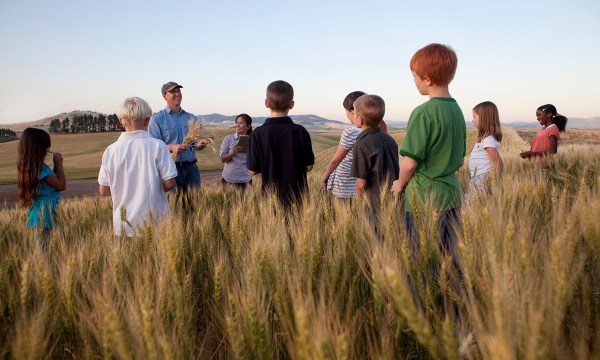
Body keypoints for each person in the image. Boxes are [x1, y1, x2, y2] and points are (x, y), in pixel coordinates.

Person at [391, 43, 466, 265]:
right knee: (450, 262)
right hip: (452, 194)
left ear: (427, 79)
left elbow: (410, 163)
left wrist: (400, 184)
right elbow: (460, 160)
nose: (413, 82)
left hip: (424, 199)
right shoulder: (457, 110)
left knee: (422, 264)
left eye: (414, 77)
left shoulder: (423, 113)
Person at [98, 97, 178, 237]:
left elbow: (104, 190)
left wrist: (125, 192)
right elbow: (170, 182)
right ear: (148, 120)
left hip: (122, 226)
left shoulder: (110, 151)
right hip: (155, 222)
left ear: (120, 120)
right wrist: (152, 190)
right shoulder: (158, 146)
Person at [247, 80, 315, 210]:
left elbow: (252, 170)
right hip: (298, 198)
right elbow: (309, 167)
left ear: (266, 103)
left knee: (273, 230)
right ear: (292, 104)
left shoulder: (257, 134)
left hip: (270, 198)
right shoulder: (301, 131)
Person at [148, 81, 209, 192]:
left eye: (179, 91)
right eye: (173, 92)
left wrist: (200, 145)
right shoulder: (157, 119)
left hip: (191, 170)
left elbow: (195, 144)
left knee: (195, 206)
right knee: (174, 207)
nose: (177, 94)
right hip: (169, 169)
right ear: (164, 96)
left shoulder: (191, 118)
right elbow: (153, 146)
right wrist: (171, 147)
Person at [351, 94, 399, 223]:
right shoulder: (390, 139)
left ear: (359, 120)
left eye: (354, 114)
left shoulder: (362, 144)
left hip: (373, 203)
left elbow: (360, 184)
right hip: (394, 198)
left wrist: (361, 202)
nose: (353, 117)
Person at [17, 128, 66, 251]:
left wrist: (55, 166)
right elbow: (61, 185)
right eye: (46, 147)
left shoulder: (29, 167)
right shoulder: (41, 169)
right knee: (44, 252)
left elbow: (52, 182)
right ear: (38, 148)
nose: (47, 151)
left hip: (39, 214)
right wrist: (59, 164)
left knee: (42, 249)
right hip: (45, 216)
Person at [320, 91, 365, 199]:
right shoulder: (377, 133)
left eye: (346, 111)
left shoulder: (351, 133)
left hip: (344, 187)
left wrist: (324, 178)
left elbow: (336, 160)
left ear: (353, 112)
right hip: (363, 188)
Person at [468, 101, 503, 192]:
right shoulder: (485, 139)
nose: (472, 120)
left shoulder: (488, 140)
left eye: (474, 116)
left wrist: (494, 185)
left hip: (482, 180)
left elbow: (499, 164)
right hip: (477, 178)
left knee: (473, 204)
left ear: (484, 118)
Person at [519, 104, 567, 168]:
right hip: (535, 165)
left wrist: (532, 154)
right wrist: (528, 154)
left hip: (544, 166)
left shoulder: (552, 128)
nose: (537, 118)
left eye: (539, 115)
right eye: (536, 116)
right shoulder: (542, 129)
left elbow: (553, 150)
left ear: (549, 114)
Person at [220, 113, 253, 189]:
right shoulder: (228, 139)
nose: (237, 125)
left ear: (248, 126)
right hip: (229, 179)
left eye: (241, 123)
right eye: (236, 122)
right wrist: (232, 153)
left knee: (246, 201)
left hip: (246, 180)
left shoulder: (253, 140)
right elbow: (222, 159)